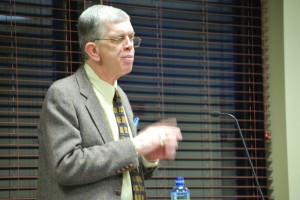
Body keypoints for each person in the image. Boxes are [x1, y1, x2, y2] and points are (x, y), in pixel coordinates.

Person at [36, 4, 182, 200]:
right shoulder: (63, 94)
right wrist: (137, 145)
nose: (130, 45)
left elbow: (123, 176)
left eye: (131, 37)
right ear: (94, 50)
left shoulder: (120, 96)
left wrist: (148, 157)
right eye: (118, 38)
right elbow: (65, 166)